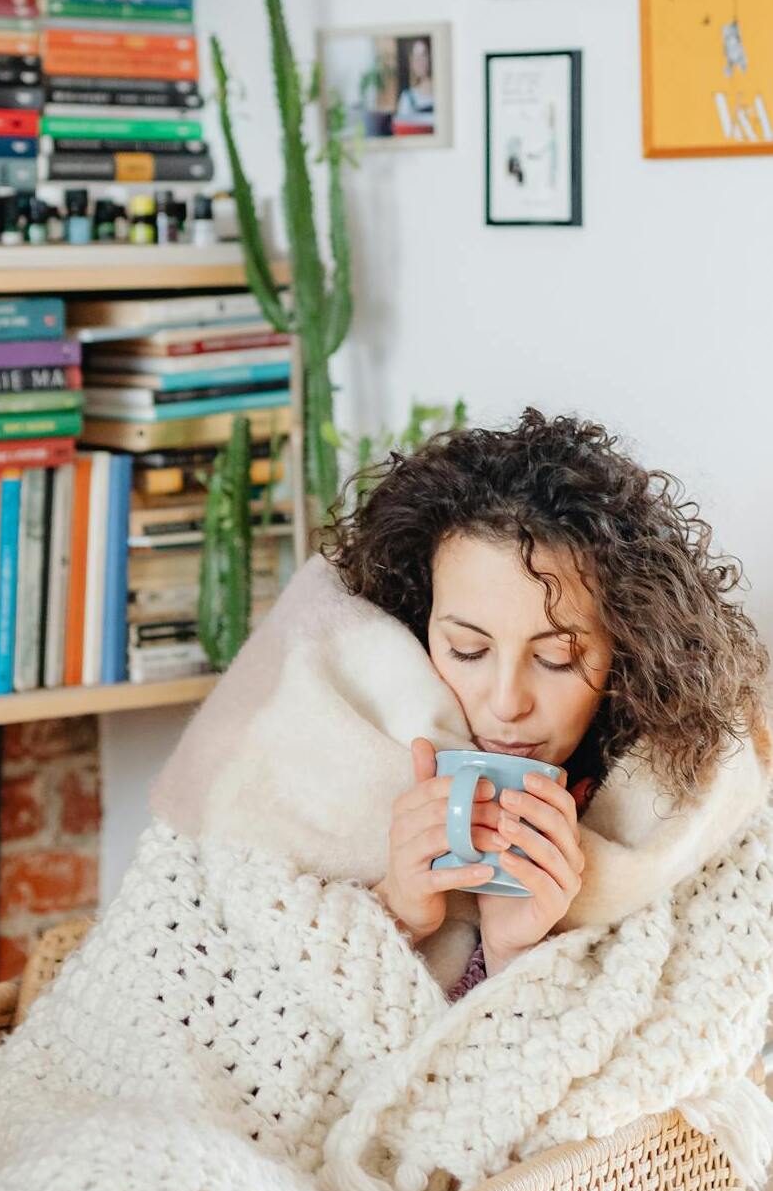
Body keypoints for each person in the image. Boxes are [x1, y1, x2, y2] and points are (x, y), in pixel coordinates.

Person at [318, 407, 768, 996]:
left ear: (628, 650)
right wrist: (395, 913)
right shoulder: (324, 742)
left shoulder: (712, 815)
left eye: (557, 658)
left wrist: (514, 954)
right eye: (468, 650)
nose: (507, 704)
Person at [393, 35, 435, 128]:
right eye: (416, 57)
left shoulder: (445, 94)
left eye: (423, 55)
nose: (419, 61)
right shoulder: (407, 98)